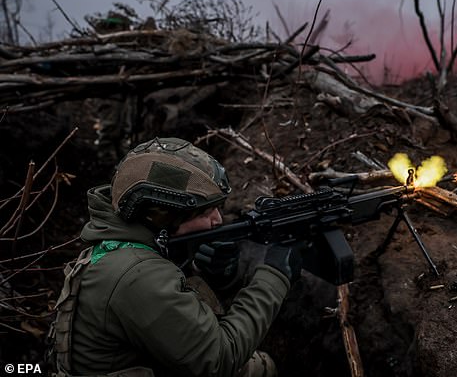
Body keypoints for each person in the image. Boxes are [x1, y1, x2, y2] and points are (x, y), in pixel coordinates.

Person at [48, 137, 302, 377]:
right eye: (204, 212)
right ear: (162, 216)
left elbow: (169, 310)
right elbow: (219, 360)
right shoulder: (137, 274)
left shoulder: (116, 250)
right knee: (261, 368)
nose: (218, 220)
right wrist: (274, 276)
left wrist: (211, 276)